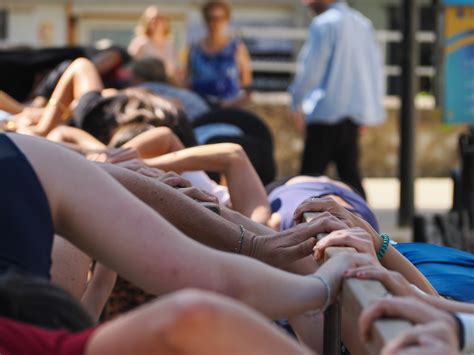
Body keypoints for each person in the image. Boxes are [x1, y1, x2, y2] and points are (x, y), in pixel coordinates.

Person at [289, 0, 385, 198]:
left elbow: (311, 72)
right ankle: (366, 226)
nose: (307, 4)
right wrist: (367, 112)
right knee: (351, 181)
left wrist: (296, 103)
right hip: (351, 116)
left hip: (325, 113)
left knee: (307, 184)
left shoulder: (324, 24)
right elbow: (373, 70)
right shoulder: (362, 23)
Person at [186, 0, 252, 107]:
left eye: (219, 18)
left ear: (226, 20)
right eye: (210, 18)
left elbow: (246, 84)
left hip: (229, 108)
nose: (214, 23)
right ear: (205, 20)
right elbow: (188, 81)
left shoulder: (237, 48)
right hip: (200, 108)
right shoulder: (195, 49)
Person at [128, 6, 178, 79]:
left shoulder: (170, 44)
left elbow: (173, 71)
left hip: (166, 85)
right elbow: (131, 66)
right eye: (152, 19)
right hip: (146, 84)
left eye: (159, 18)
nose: (155, 22)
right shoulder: (140, 42)